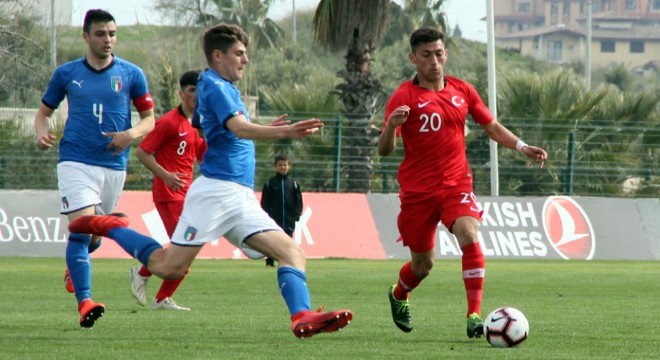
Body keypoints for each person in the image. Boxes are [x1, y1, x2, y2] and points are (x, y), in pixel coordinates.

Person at [68, 23, 353, 338]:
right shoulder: (214, 84)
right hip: (216, 193)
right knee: (167, 267)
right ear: (218, 55)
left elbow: (225, 131)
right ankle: (110, 226)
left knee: (292, 252)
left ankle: (301, 317)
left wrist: (259, 128)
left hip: (239, 197)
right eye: (239, 54)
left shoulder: (223, 88)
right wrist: (284, 130)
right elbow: (239, 129)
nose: (245, 60)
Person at [378, 27, 547, 338]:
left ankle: (474, 314)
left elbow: (492, 126)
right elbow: (385, 150)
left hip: (457, 184)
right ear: (413, 58)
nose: (434, 61)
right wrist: (390, 126)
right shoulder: (404, 96)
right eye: (426, 55)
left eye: (439, 53)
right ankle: (399, 294)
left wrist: (522, 147)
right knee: (422, 266)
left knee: (469, 232)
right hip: (417, 193)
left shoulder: (463, 91)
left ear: (446, 55)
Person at [34, 9, 155, 328]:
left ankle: (76, 264)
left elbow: (149, 120)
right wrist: (40, 133)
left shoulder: (132, 74)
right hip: (75, 161)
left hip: (114, 167)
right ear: (86, 36)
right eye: (100, 34)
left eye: (112, 34)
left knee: (94, 236)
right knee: (85, 226)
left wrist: (130, 135)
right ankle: (85, 302)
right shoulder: (66, 73)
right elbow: (43, 113)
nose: (108, 40)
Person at [129, 70, 206, 311]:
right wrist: (166, 176)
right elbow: (142, 152)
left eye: (199, 90)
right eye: (191, 90)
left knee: (181, 249)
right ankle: (155, 292)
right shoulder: (169, 122)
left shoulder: (200, 124)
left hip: (187, 195)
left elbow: (203, 159)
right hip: (169, 193)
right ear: (181, 94)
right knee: (184, 252)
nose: (196, 95)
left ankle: (145, 276)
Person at [260, 154, 303, 267]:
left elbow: (298, 201)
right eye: (280, 165)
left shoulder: (293, 183)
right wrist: (266, 214)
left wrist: (296, 214)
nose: (283, 167)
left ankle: (286, 261)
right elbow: (265, 201)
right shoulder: (270, 183)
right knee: (273, 241)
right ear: (276, 167)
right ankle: (270, 261)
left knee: (288, 241)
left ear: (289, 166)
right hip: (274, 218)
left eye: (285, 165)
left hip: (289, 219)